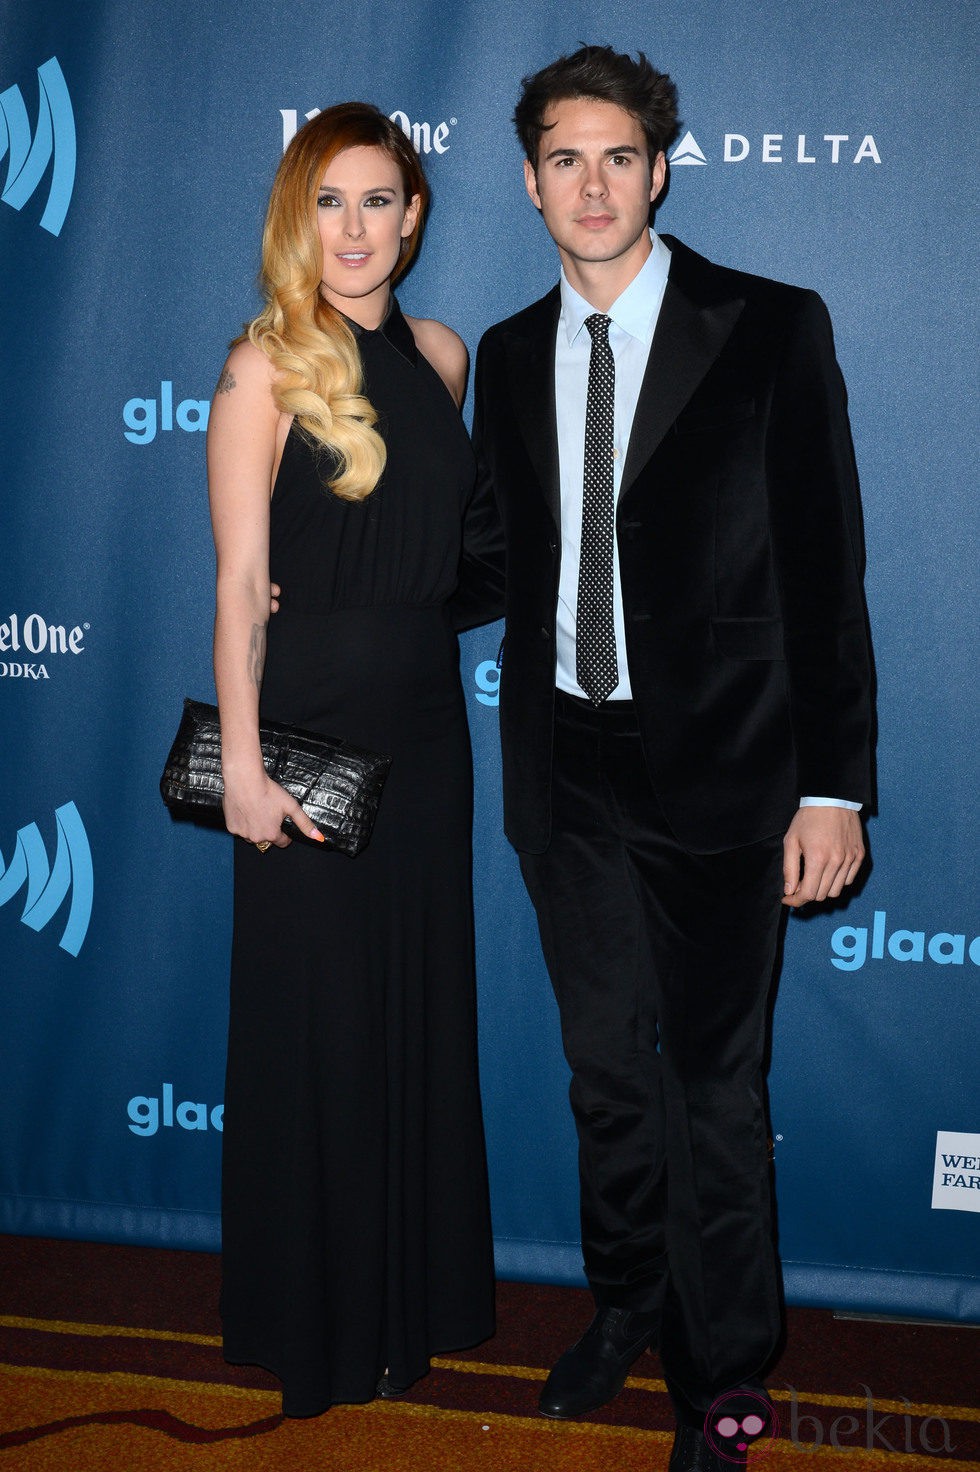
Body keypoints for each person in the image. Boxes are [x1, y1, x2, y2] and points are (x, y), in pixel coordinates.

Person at [465, 44, 874, 1470]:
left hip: (725, 776)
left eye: (620, 156)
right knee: (604, 1078)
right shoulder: (512, 355)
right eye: (564, 159)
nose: (594, 183)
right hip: (562, 775)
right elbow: (500, 557)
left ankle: (722, 1384)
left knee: (712, 1085)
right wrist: (331, 583)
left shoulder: (767, 327)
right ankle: (627, 1301)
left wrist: (835, 785)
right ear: (528, 182)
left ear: (660, 168)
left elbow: (828, 574)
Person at [207, 102, 495, 1417]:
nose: (356, 229)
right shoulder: (264, 364)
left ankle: (402, 1315)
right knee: (316, 1032)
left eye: (380, 200)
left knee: (408, 1020)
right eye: (329, 202)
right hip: (308, 732)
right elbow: (241, 582)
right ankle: (317, 1329)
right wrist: (248, 773)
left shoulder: (443, 356)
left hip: (429, 730)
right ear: (295, 218)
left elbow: (458, 546)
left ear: (416, 216)